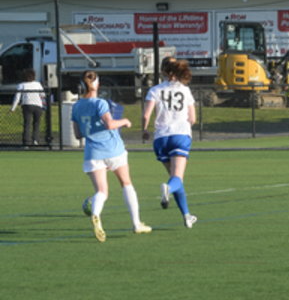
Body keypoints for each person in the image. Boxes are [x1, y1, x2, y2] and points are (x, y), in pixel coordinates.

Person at [71, 70, 152, 242]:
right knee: (126, 183)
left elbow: (78, 134)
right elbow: (109, 124)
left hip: (93, 153)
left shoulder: (76, 106)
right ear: (97, 84)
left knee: (102, 192)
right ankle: (136, 224)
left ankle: (95, 214)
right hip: (113, 149)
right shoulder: (100, 103)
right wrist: (125, 121)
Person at [142, 58, 197, 228]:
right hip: (180, 135)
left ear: (163, 71)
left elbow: (146, 115)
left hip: (161, 138)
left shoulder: (155, 90)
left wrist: (144, 130)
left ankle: (187, 215)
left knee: (176, 178)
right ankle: (168, 189)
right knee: (176, 179)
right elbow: (193, 118)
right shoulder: (185, 90)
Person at [10, 68, 45, 147]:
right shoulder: (37, 84)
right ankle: (35, 140)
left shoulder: (21, 85)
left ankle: (26, 142)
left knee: (27, 124)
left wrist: (13, 108)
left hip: (27, 105)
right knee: (36, 124)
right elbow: (43, 95)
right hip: (38, 105)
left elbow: (17, 97)